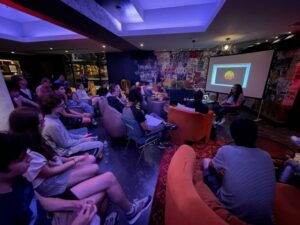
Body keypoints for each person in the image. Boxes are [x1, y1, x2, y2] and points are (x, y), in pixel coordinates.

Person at [0, 132, 104, 225]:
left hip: (50, 217)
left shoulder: (18, 179)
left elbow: (42, 201)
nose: (30, 158)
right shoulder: (4, 214)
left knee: (96, 199)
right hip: (52, 188)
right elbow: (50, 172)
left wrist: (76, 204)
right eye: (22, 158)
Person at [9, 107, 99, 197]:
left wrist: (71, 159)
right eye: (41, 122)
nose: (44, 123)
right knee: (94, 167)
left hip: (55, 165)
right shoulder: (28, 149)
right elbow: (49, 172)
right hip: (49, 182)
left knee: (90, 159)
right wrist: (74, 161)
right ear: (30, 127)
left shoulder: (36, 136)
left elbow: (53, 156)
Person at [202, 118, 276, 225]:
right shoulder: (267, 155)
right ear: (255, 136)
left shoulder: (226, 150)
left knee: (206, 163)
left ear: (233, 136)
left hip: (233, 212)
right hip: (265, 220)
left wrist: (205, 162)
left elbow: (210, 165)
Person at [38, 94, 103, 157]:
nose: (64, 107)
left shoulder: (54, 117)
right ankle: (85, 160)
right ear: (53, 108)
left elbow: (67, 134)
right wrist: (84, 140)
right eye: (62, 105)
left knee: (93, 139)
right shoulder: (51, 124)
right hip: (65, 152)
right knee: (99, 144)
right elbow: (65, 144)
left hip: (68, 145)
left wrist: (82, 137)